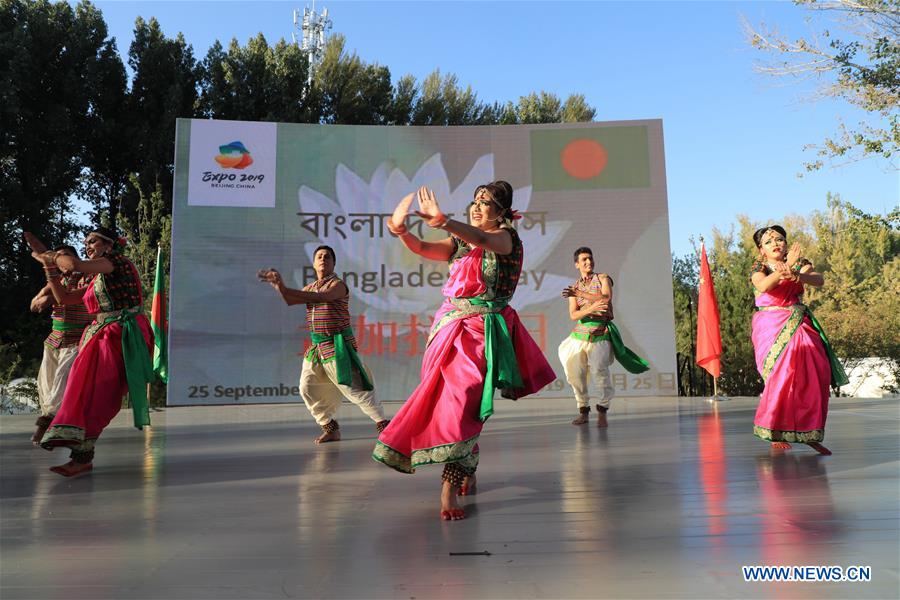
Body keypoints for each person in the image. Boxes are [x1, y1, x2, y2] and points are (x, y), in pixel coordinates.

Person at [372, 182, 556, 521]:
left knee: (465, 398)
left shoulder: (507, 239)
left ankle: (447, 487)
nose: (476, 207)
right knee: (448, 403)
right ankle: (466, 463)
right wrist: (400, 232)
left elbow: (484, 240)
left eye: (485, 203)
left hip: (483, 331)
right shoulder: (460, 242)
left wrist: (443, 220)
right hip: (447, 328)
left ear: (501, 212)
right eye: (474, 201)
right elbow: (425, 249)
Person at [25, 227, 155, 477]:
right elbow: (63, 297)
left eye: (92, 241)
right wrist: (49, 268)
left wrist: (48, 255)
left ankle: (82, 456)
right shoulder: (98, 278)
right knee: (83, 391)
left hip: (120, 337)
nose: (87, 246)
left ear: (109, 245)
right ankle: (81, 456)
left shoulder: (115, 262)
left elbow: (72, 262)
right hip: (101, 336)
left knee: (98, 395)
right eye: (85, 242)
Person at [258, 245, 388, 444]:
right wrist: (279, 287)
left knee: (356, 390)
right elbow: (291, 300)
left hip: (338, 347)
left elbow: (322, 298)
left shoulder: (337, 285)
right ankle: (330, 427)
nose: (323, 259)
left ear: (333, 263)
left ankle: (385, 426)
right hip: (317, 348)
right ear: (314, 263)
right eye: (319, 256)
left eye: (327, 257)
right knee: (307, 387)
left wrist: (285, 288)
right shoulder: (310, 288)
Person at [750, 225, 848, 455]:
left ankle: (809, 431)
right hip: (772, 325)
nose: (776, 243)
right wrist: (783, 271)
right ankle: (774, 430)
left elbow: (818, 279)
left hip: (799, 321)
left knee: (817, 373)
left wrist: (797, 273)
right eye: (769, 241)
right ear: (761, 250)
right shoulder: (759, 267)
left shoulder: (799, 261)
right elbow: (763, 285)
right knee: (782, 376)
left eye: (780, 239)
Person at [558, 246, 649, 427]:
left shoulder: (603, 278)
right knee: (575, 374)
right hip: (580, 334)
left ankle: (602, 410)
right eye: (584, 259)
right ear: (577, 264)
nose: (588, 262)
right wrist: (591, 308)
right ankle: (583, 410)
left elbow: (606, 298)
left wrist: (582, 296)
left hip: (601, 333)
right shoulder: (574, 288)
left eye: (590, 258)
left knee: (600, 372)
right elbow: (573, 315)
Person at [28, 245, 92, 444]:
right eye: (59, 259)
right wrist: (44, 297)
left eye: (66, 258)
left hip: (76, 340)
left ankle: (45, 426)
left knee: (61, 385)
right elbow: (33, 305)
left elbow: (72, 299)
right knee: (46, 387)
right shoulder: (56, 280)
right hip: (54, 340)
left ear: (73, 259)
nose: (62, 263)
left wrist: (52, 295)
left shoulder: (89, 278)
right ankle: (52, 425)